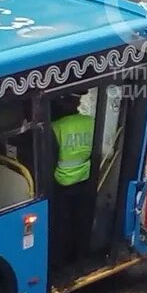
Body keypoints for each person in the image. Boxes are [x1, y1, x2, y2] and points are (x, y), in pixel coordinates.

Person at [48, 94, 95, 267]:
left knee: (62, 227)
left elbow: (49, 159)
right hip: (86, 178)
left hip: (62, 183)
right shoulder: (89, 121)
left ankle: (61, 263)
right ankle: (80, 258)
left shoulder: (55, 127)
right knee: (81, 222)